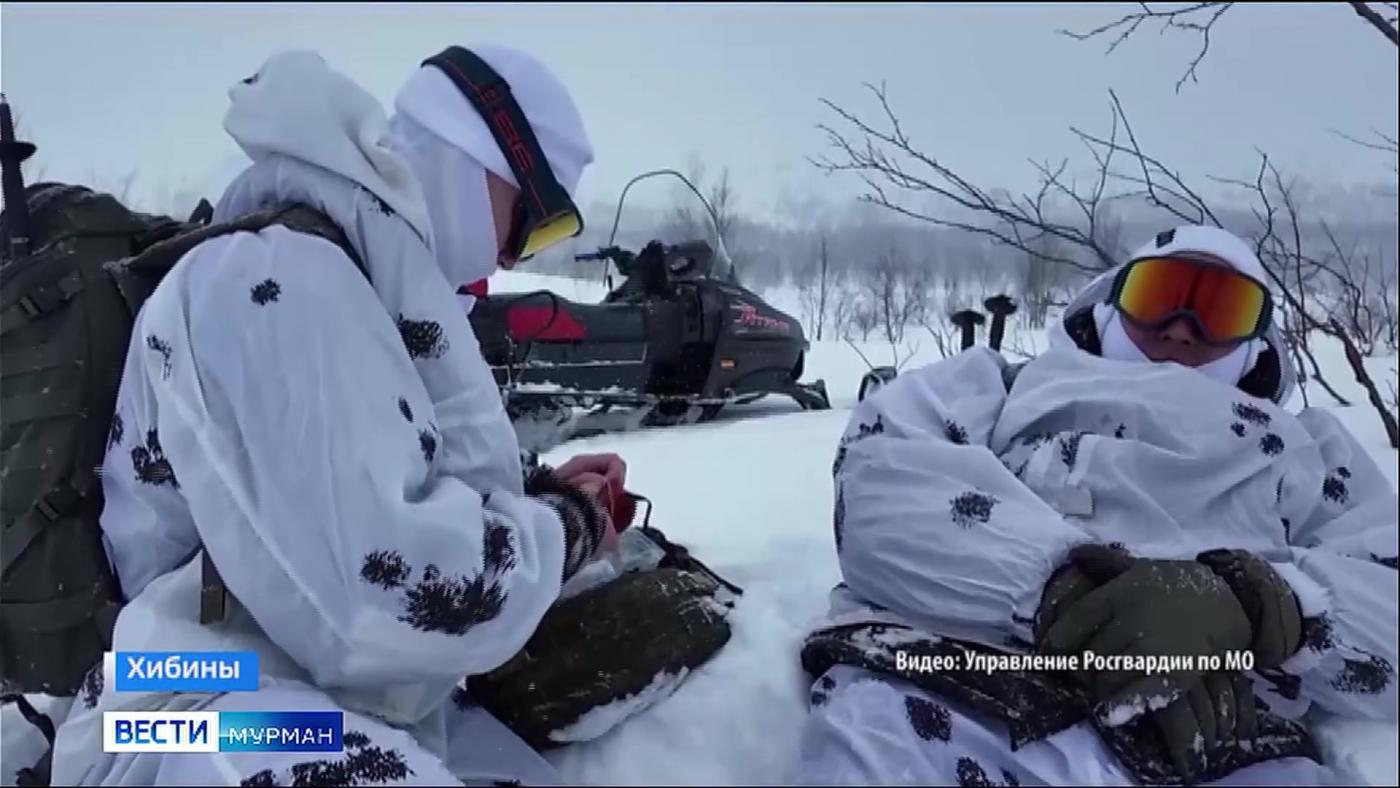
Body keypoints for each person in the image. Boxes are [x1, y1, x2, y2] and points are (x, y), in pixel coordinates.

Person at [46, 46, 629, 786]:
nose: (514, 257)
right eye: (531, 223)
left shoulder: (348, 285)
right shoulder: (272, 279)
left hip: (291, 693)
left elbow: (365, 488)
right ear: (475, 158)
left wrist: (532, 494)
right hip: (175, 705)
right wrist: (566, 528)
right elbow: (380, 599)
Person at [797, 225, 1397, 786]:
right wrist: (1060, 593)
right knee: (876, 740)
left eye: (1221, 312)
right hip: (970, 683)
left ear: (1254, 348)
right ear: (1108, 308)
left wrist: (1263, 606)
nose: (1183, 327)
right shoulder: (998, 387)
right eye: (1160, 296)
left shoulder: (1312, 448)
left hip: (1219, 727)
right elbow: (881, 481)